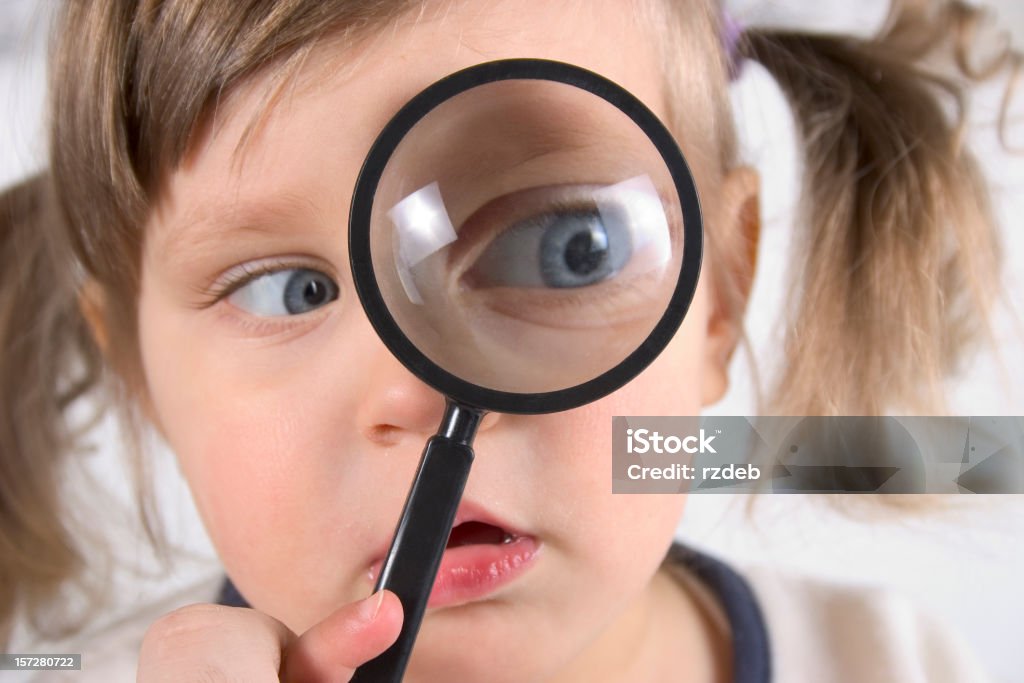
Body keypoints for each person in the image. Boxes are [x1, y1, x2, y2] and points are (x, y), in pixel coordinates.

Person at [0, 0, 1016, 680]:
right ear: (140, 373)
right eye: (288, 288)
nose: (409, 382)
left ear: (720, 292)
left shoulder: (891, 658)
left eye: (560, 246)